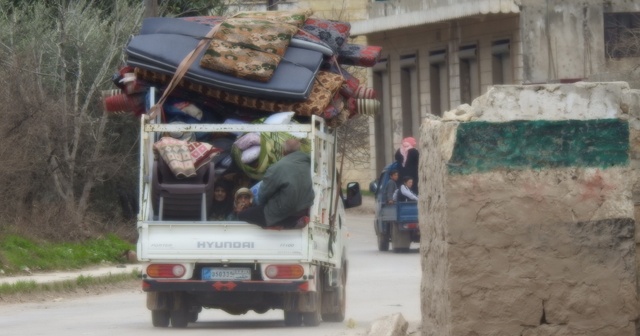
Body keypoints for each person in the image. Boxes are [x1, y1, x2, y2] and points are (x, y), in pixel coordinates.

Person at [238, 138, 314, 228]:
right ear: (298, 149)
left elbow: (263, 194)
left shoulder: (276, 168)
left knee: (244, 215)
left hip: (283, 210)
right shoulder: (309, 163)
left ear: (283, 151)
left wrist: (261, 204)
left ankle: (287, 224)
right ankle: (293, 222)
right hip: (303, 209)